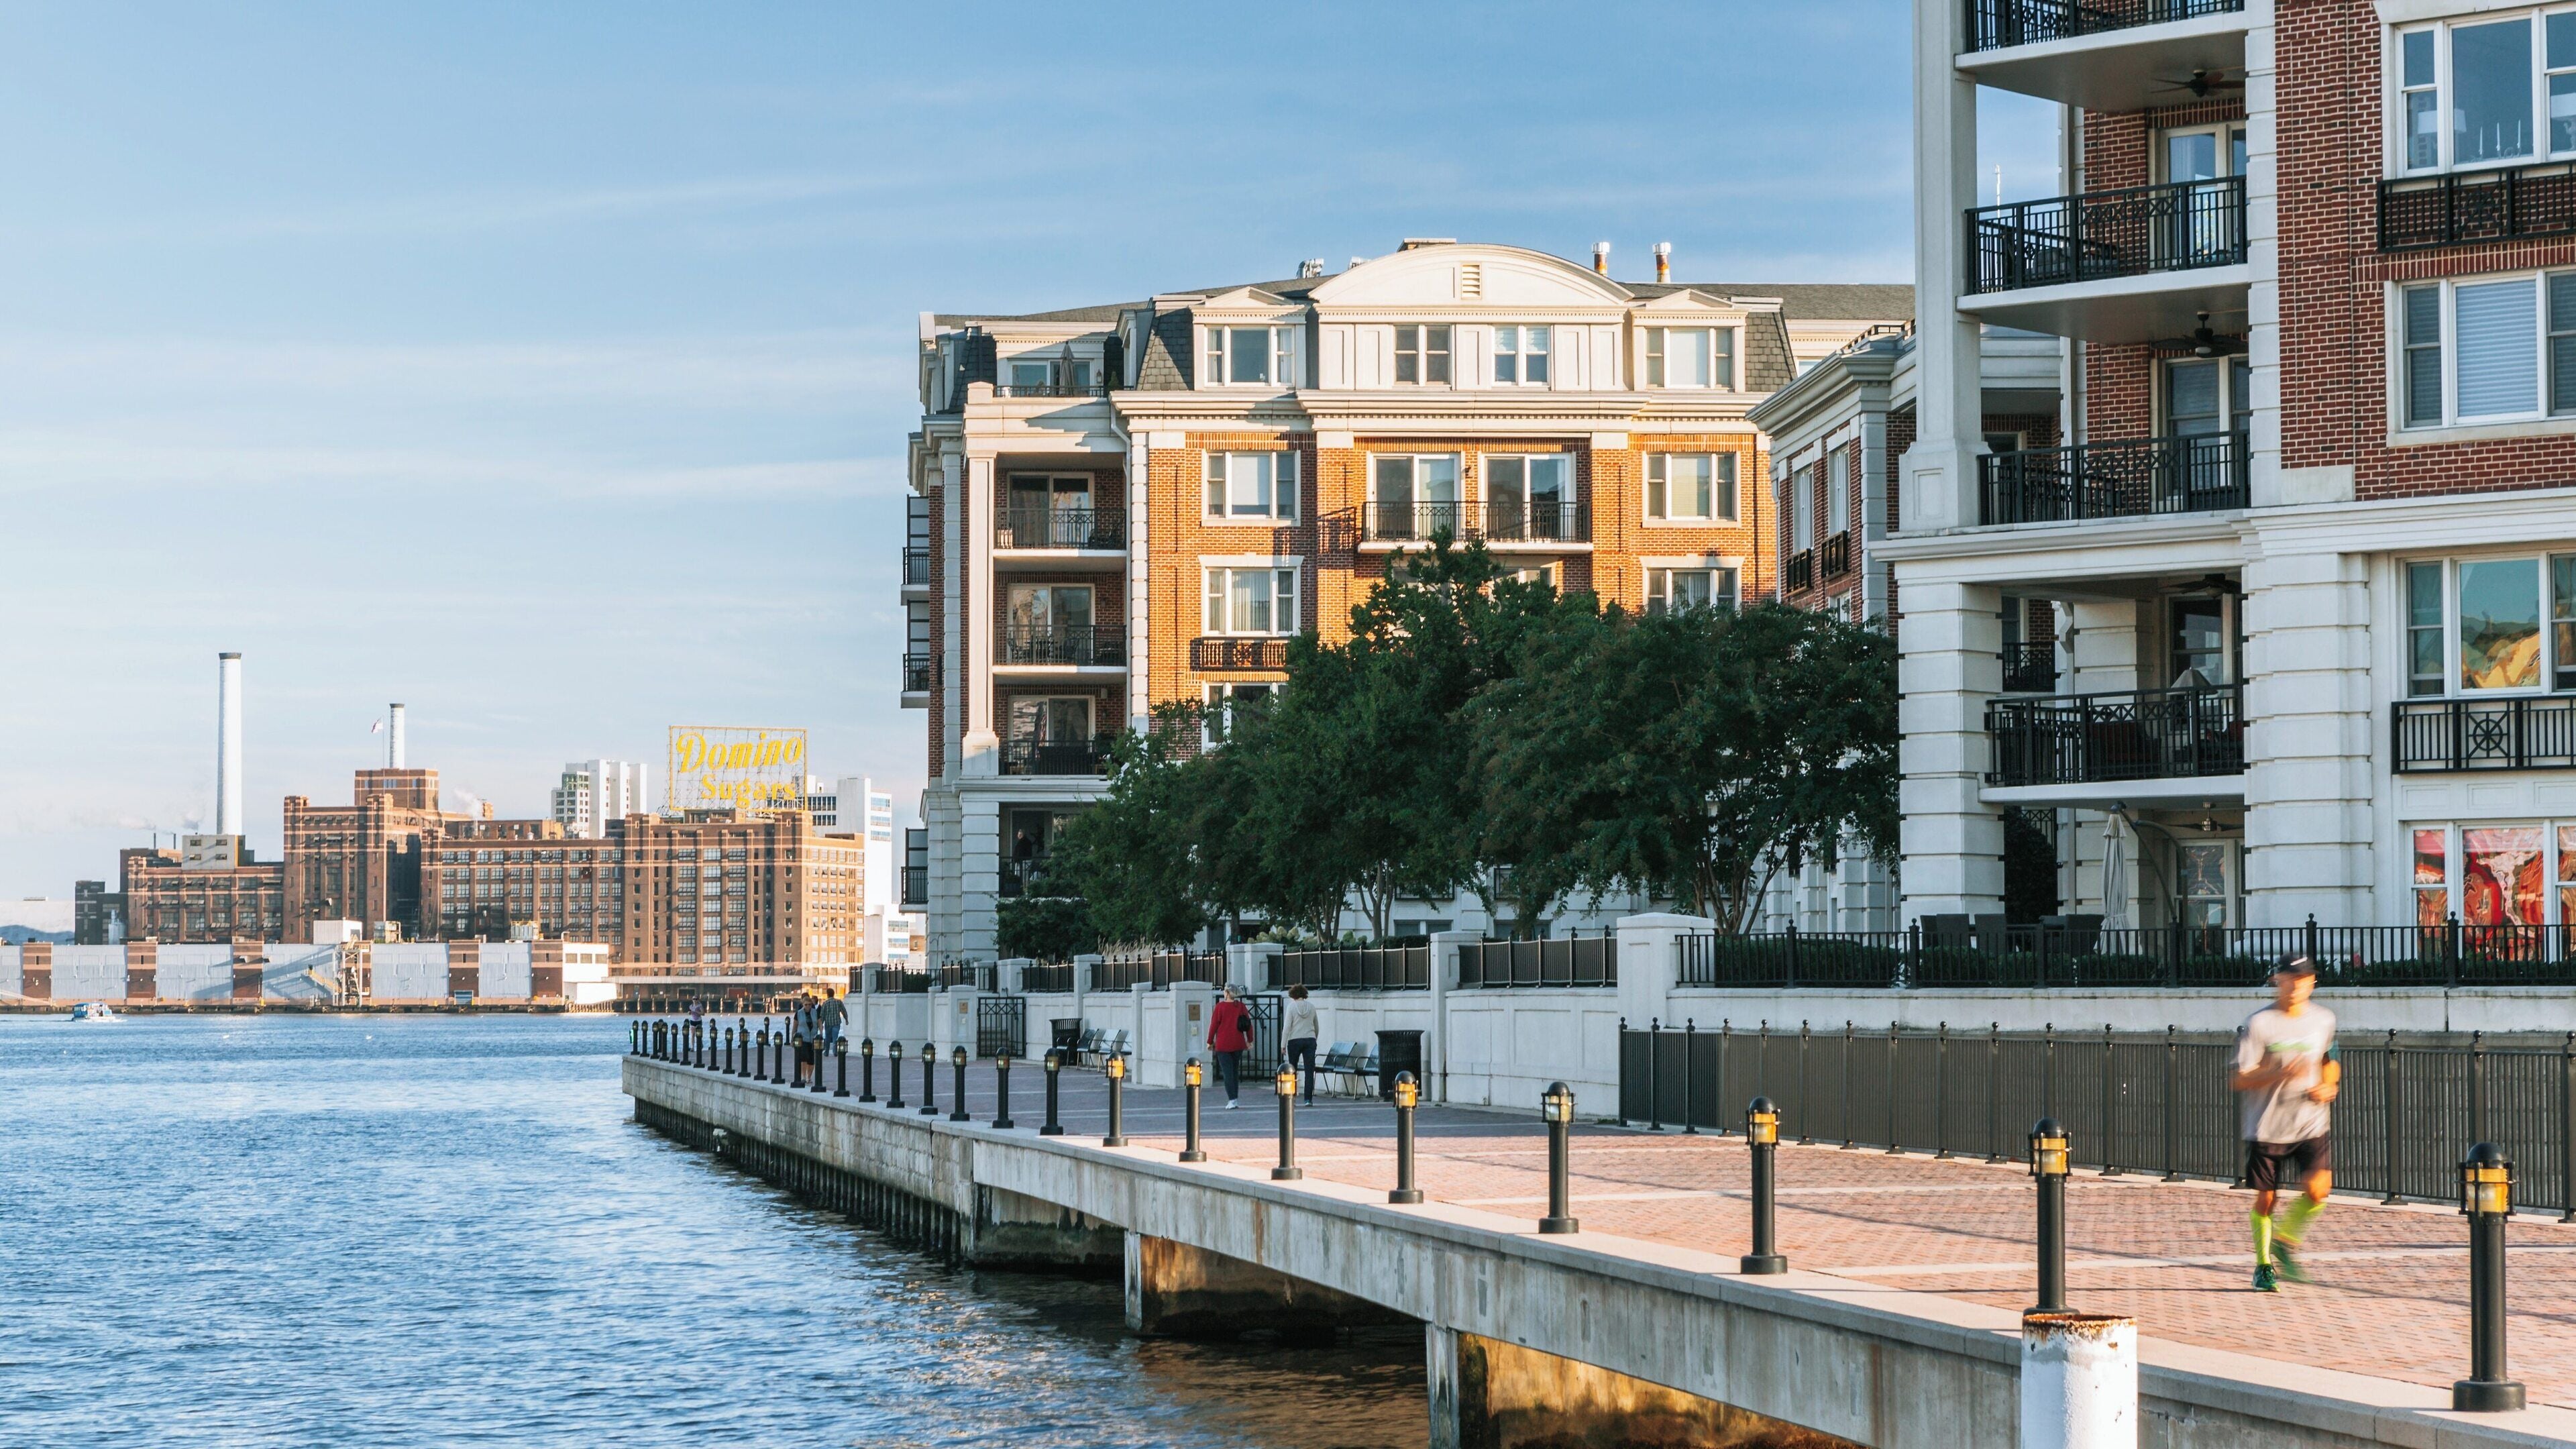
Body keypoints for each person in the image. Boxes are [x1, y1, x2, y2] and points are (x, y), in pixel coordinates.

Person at [2233, 955, 2339, 1292]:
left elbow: (2329, 1059)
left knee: (2319, 1189)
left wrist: (2329, 1084)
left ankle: (2285, 1241)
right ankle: (2263, 1266)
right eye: (2290, 979)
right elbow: (2239, 1078)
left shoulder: (2323, 1020)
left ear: (2312, 983)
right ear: (2277, 980)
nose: (2296, 986)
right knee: (2267, 1199)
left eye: (2304, 980)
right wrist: (2277, 1073)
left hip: (2310, 1121)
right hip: (2267, 1125)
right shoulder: (2259, 1024)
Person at [1206, 985, 1252, 1108]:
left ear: (1227, 993)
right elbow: (1248, 1025)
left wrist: (1210, 1041)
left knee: (1227, 1073)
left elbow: (1214, 1026)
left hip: (1223, 1044)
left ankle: (1231, 1099)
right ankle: (1235, 1098)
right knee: (1234, 1071)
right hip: (1238, 1043)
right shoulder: (1241, 1007)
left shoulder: (1220, 1007)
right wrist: (1250, 1040)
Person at [1282, 985, 1321, 1106]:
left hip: (1294, 1040)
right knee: (1309, 1070)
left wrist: (1283, 1044)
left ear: (1293, 995)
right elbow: (1316, 1026)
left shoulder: (1291, 1007)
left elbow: (1287, 1027)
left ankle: (1291, 1097)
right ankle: (1308, 1099)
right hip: (1310, 1039)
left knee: (1291, 1070)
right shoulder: (1311, 1007)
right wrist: (1314, 1038)